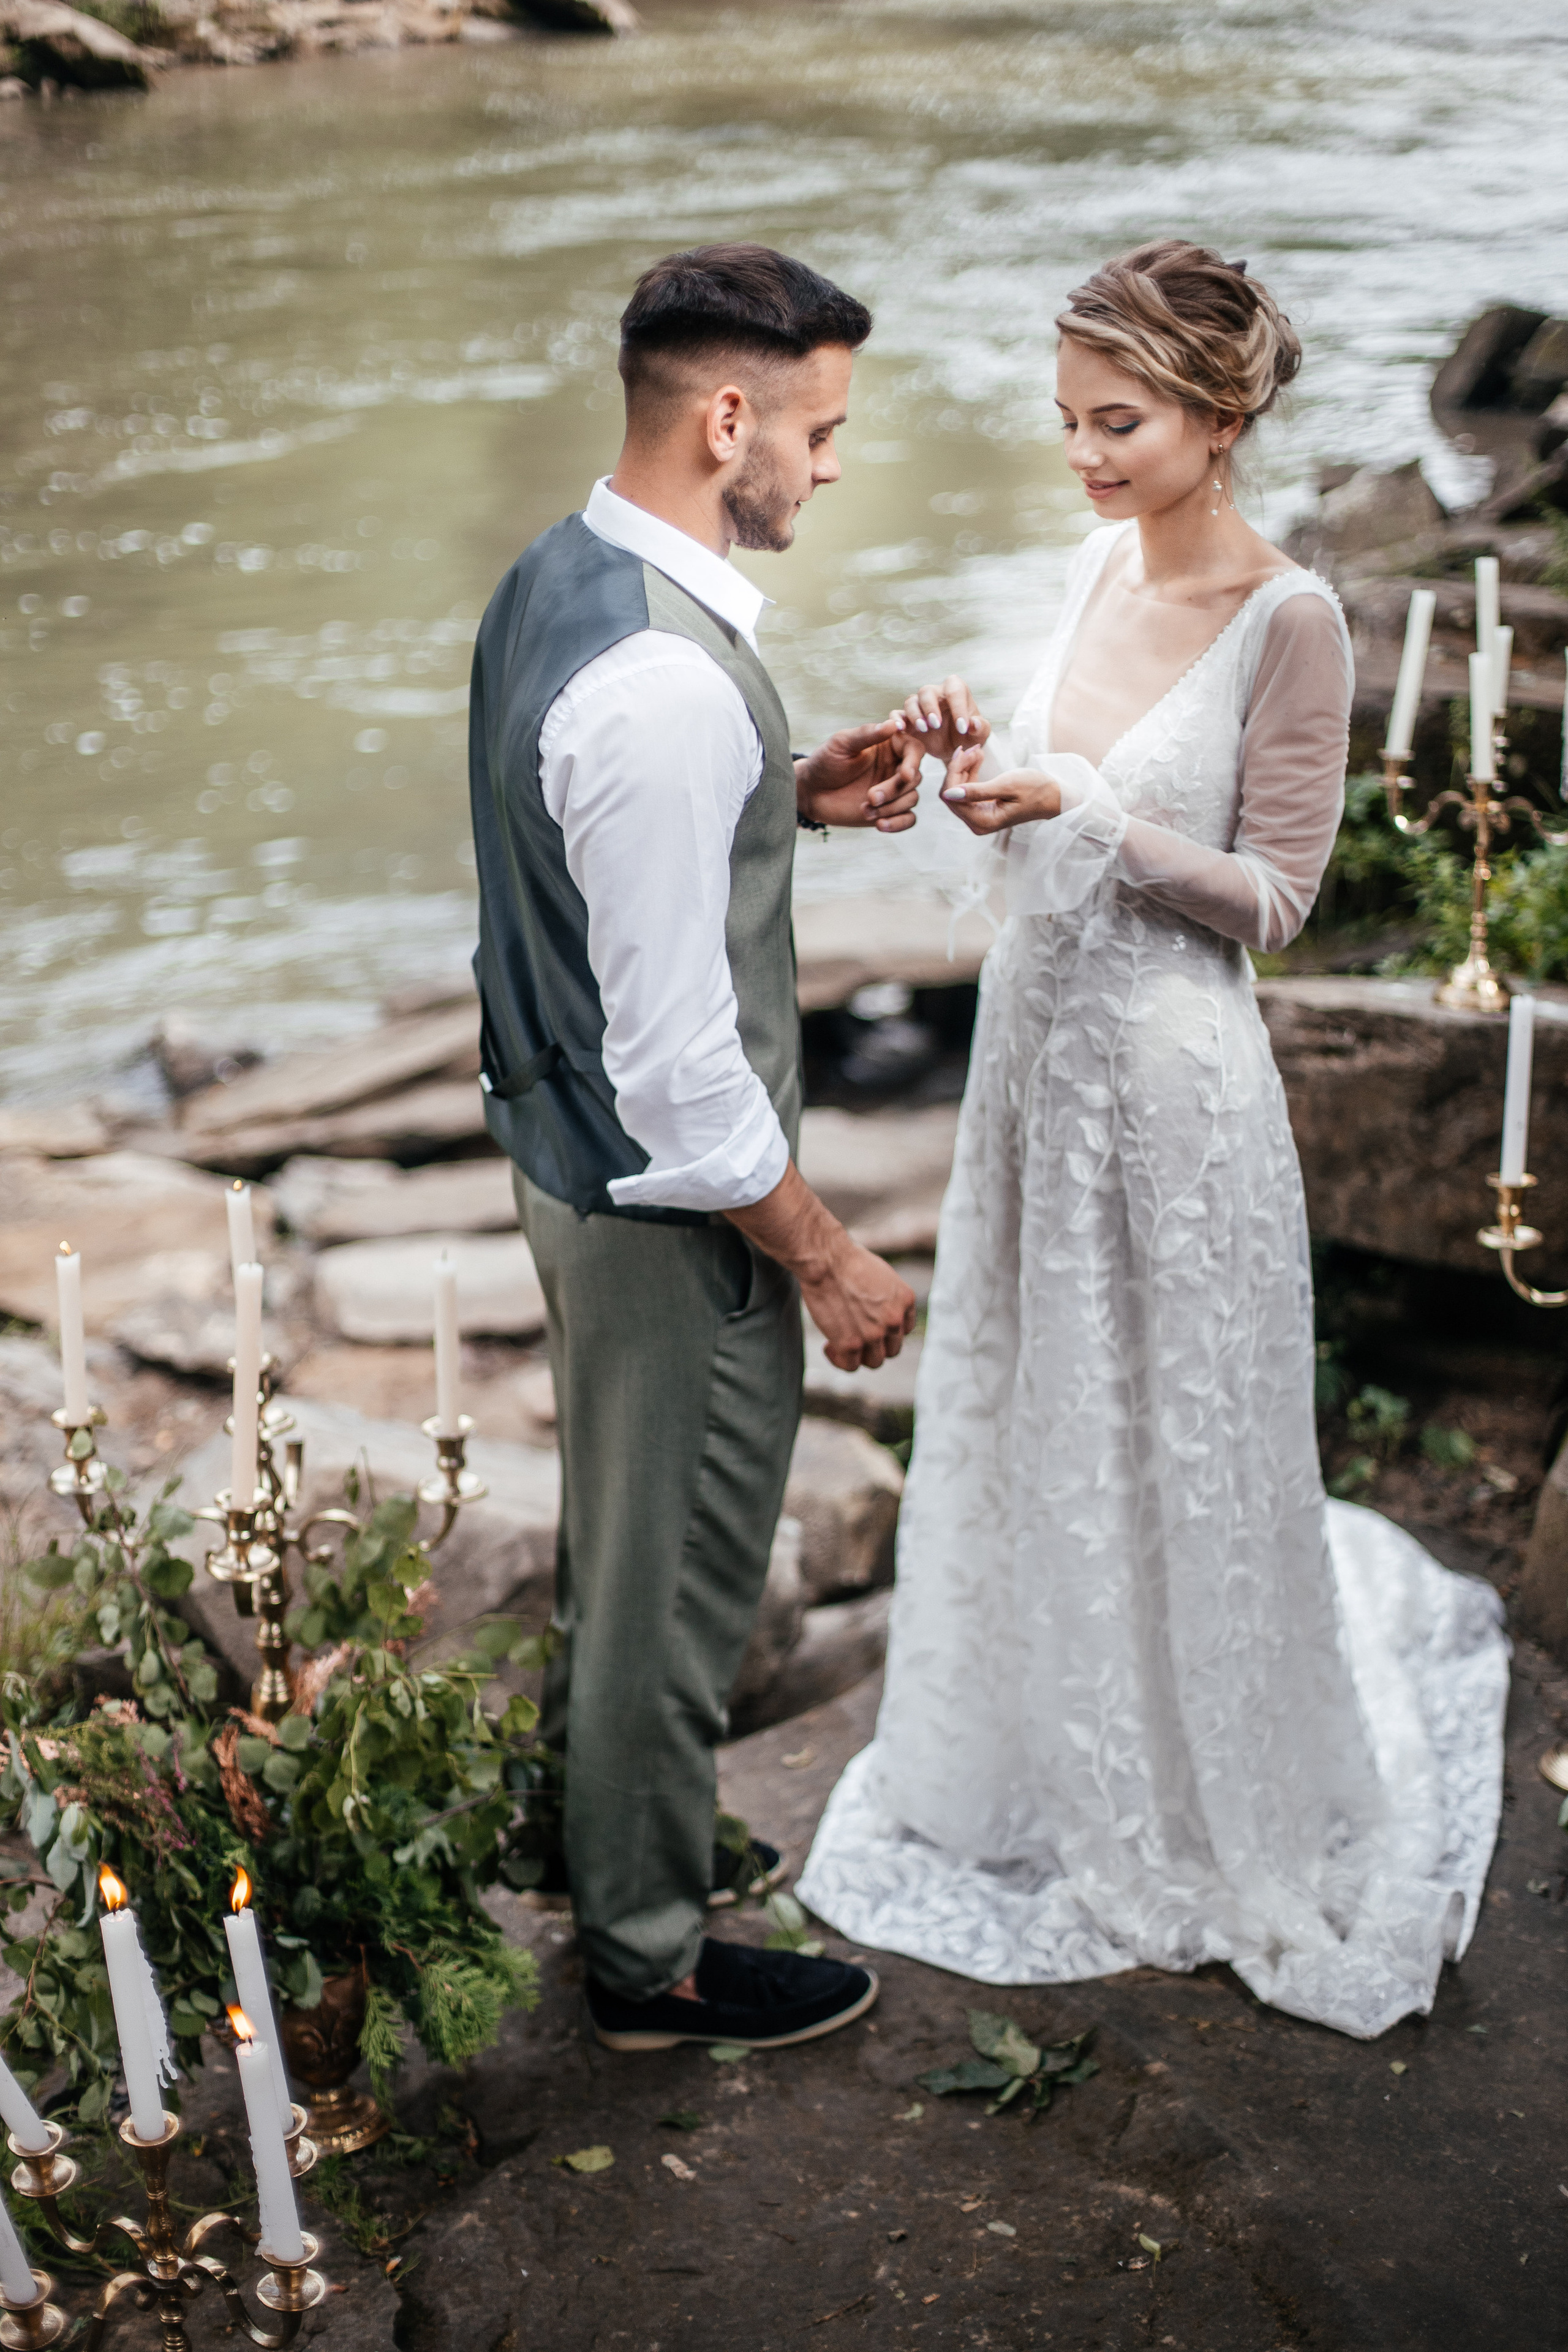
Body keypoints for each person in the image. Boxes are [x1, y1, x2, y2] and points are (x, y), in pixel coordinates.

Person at [798, 241, 1510, 2040]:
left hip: (1181, 1099)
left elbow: (1274, 901)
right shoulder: (1088, 562)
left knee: (1178, 1423)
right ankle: (1035, 1745)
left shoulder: (1295, 619)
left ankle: (1207, 1792)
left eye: (1117, 423)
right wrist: (987, 774)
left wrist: (1099, 813)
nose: (1084, 456)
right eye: (1068, 422)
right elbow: (1041, 811)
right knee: (1046, 1401)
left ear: (1221, 414)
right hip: (1033, 1079)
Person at [468, 244, 934, 2053]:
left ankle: (623, 1845)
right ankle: (648, 1961)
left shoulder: (558, 576)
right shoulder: (660, 689)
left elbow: (588, 860)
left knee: (626, 1555)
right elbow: (676, 1063)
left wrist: (786, 794)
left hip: (564, 1169)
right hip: (670, 1223)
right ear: (725, 415)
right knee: (670, 1596)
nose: (831, 466)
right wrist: (821, 1252)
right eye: (817, 432)